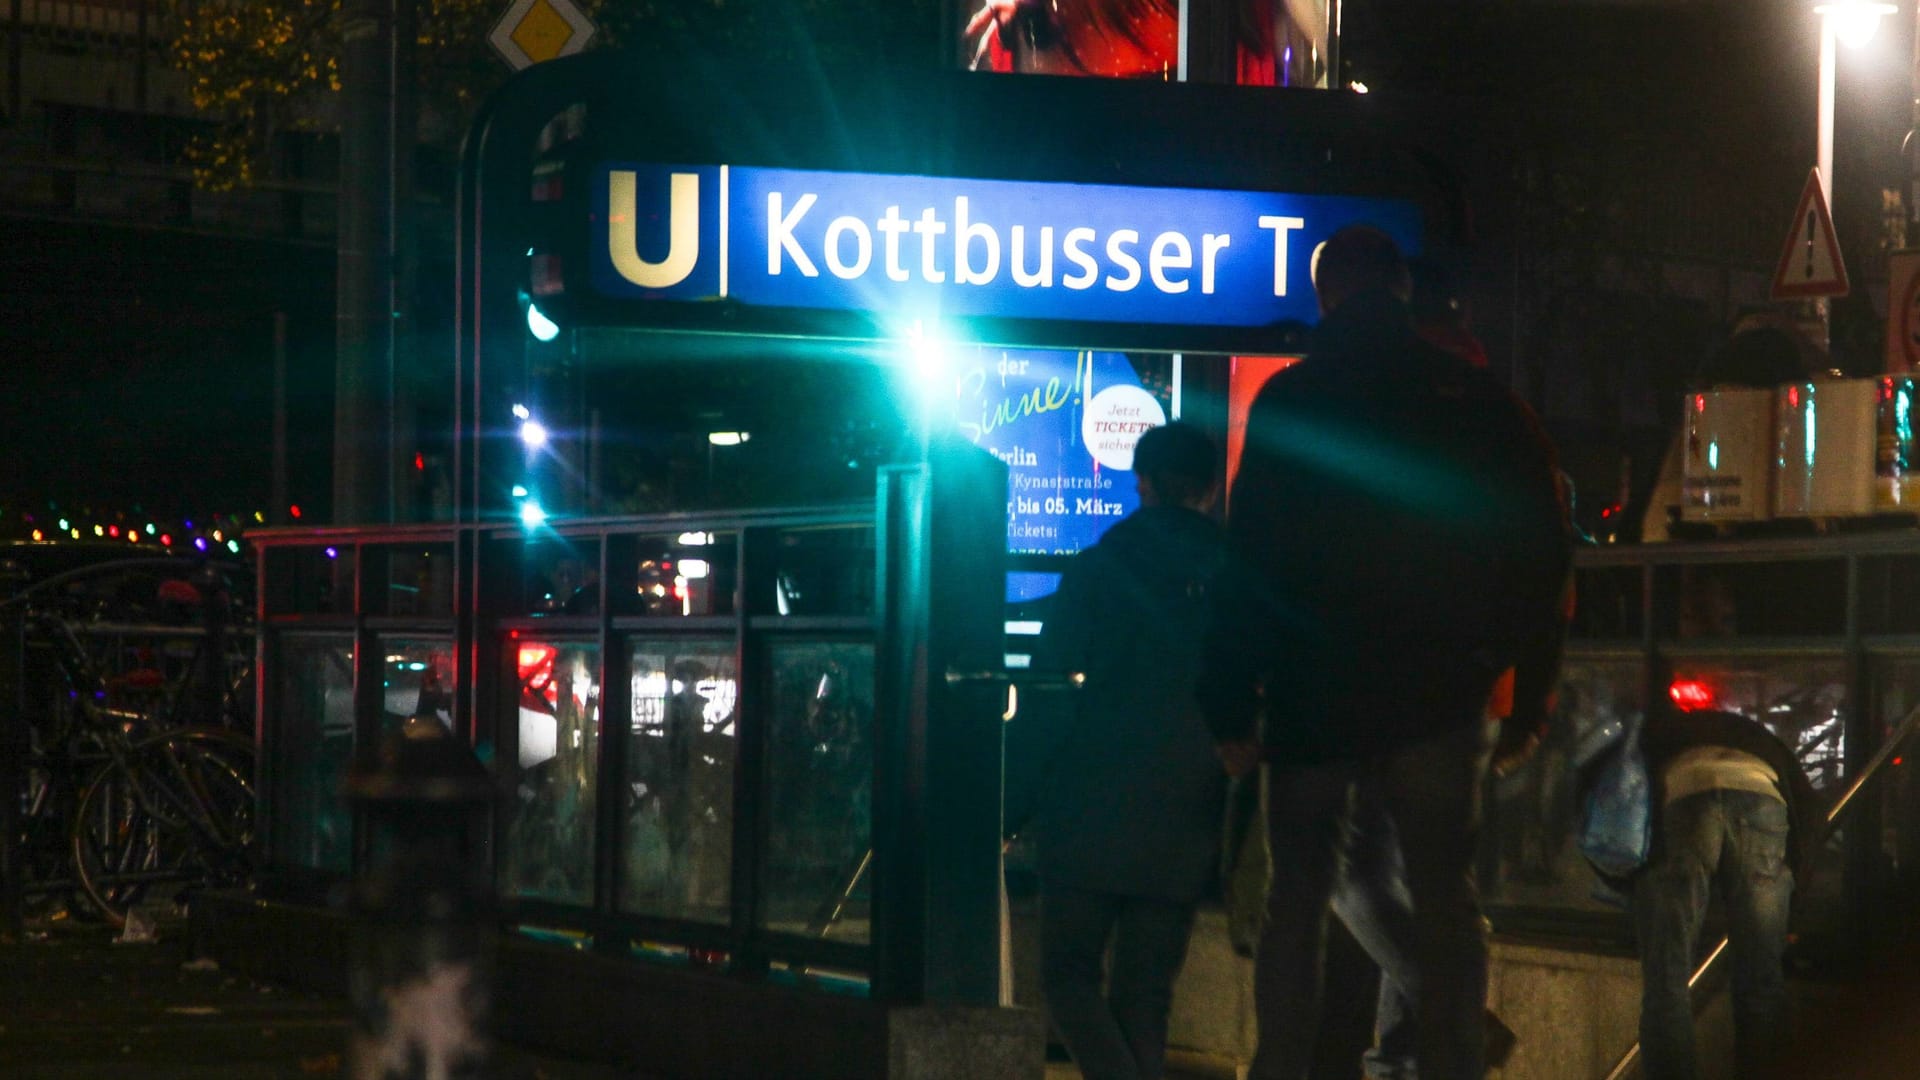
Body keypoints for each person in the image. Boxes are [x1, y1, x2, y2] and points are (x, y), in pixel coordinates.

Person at [1201, 226, 1570, 1080]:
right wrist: (1517, 684)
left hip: (1313, 698)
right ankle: (1454, 1064)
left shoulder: (1294, 400)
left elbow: (1249, 557)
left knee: (1300, 898)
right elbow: (1543, 554)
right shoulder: (1477, 403)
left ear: (1324, 294)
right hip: (1439, 697)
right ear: (1403, 291)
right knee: (1445, 902)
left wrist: (1229, 699)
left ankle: (1284, 1069)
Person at [1017, 421, 1229, 1080]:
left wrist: (1016, 797)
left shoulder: (1100, 566)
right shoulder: (1235, 572)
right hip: (1190, 804)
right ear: (1212, 489)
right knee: (1147, 993)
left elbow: (1048, 685)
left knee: (1067, 978)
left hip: (1092, 801)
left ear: (1142, 484)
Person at [1631, 698, 1820, 1080]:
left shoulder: (1661, 735)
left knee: (1668, 980)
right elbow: (1812, 815)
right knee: (1761, 981)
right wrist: (1792, 899)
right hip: (1761, 797)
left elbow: (1626, 805)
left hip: (1685, 796)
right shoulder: (1762, 741)